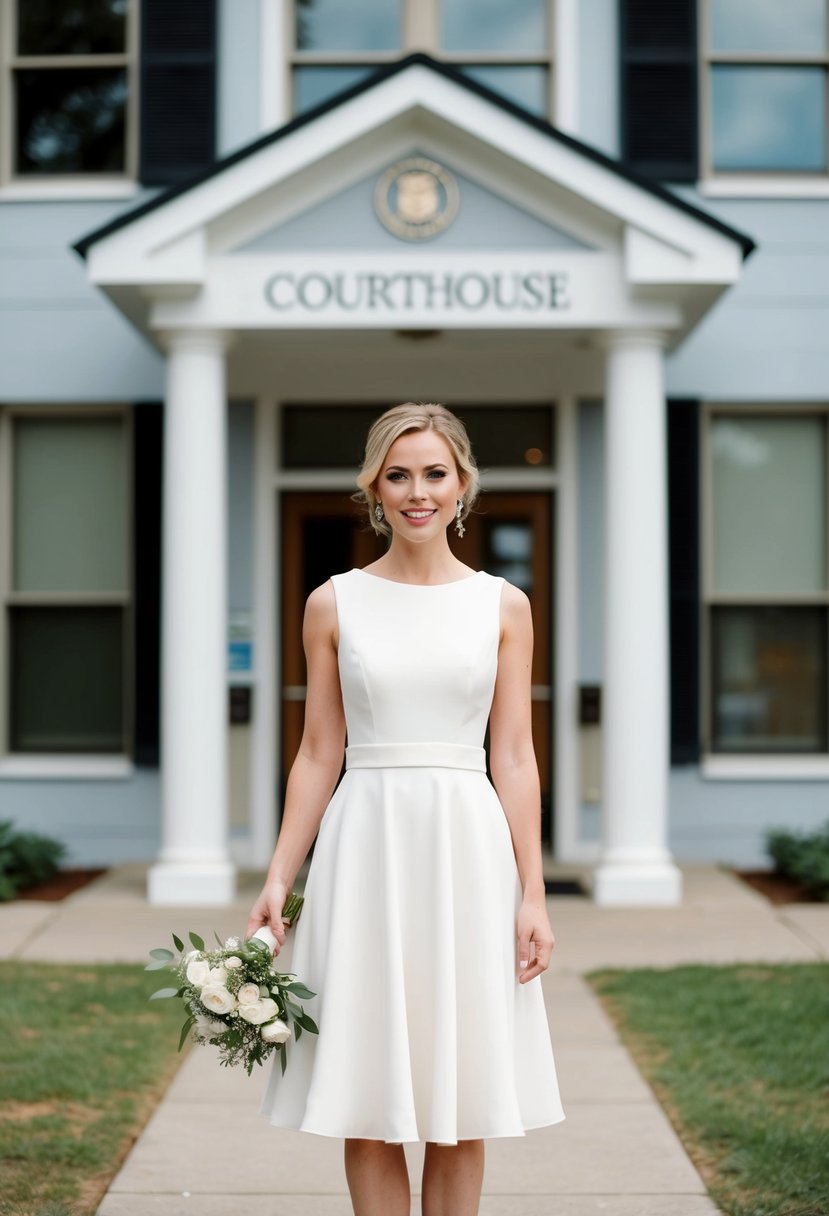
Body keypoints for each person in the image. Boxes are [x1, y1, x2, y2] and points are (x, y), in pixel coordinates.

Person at [246, 402, 564, 1216]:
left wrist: (532, 893)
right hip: (366, 844)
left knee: (461, 1103)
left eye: (434, 473)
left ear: (461, 486)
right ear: (373, 489)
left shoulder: (503, 605)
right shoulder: (333, 603)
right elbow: (319, 751)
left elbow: (515, 756)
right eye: (398, 475)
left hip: (466, 844)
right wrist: (279, 876)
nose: (416, 492)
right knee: (371, 1094)